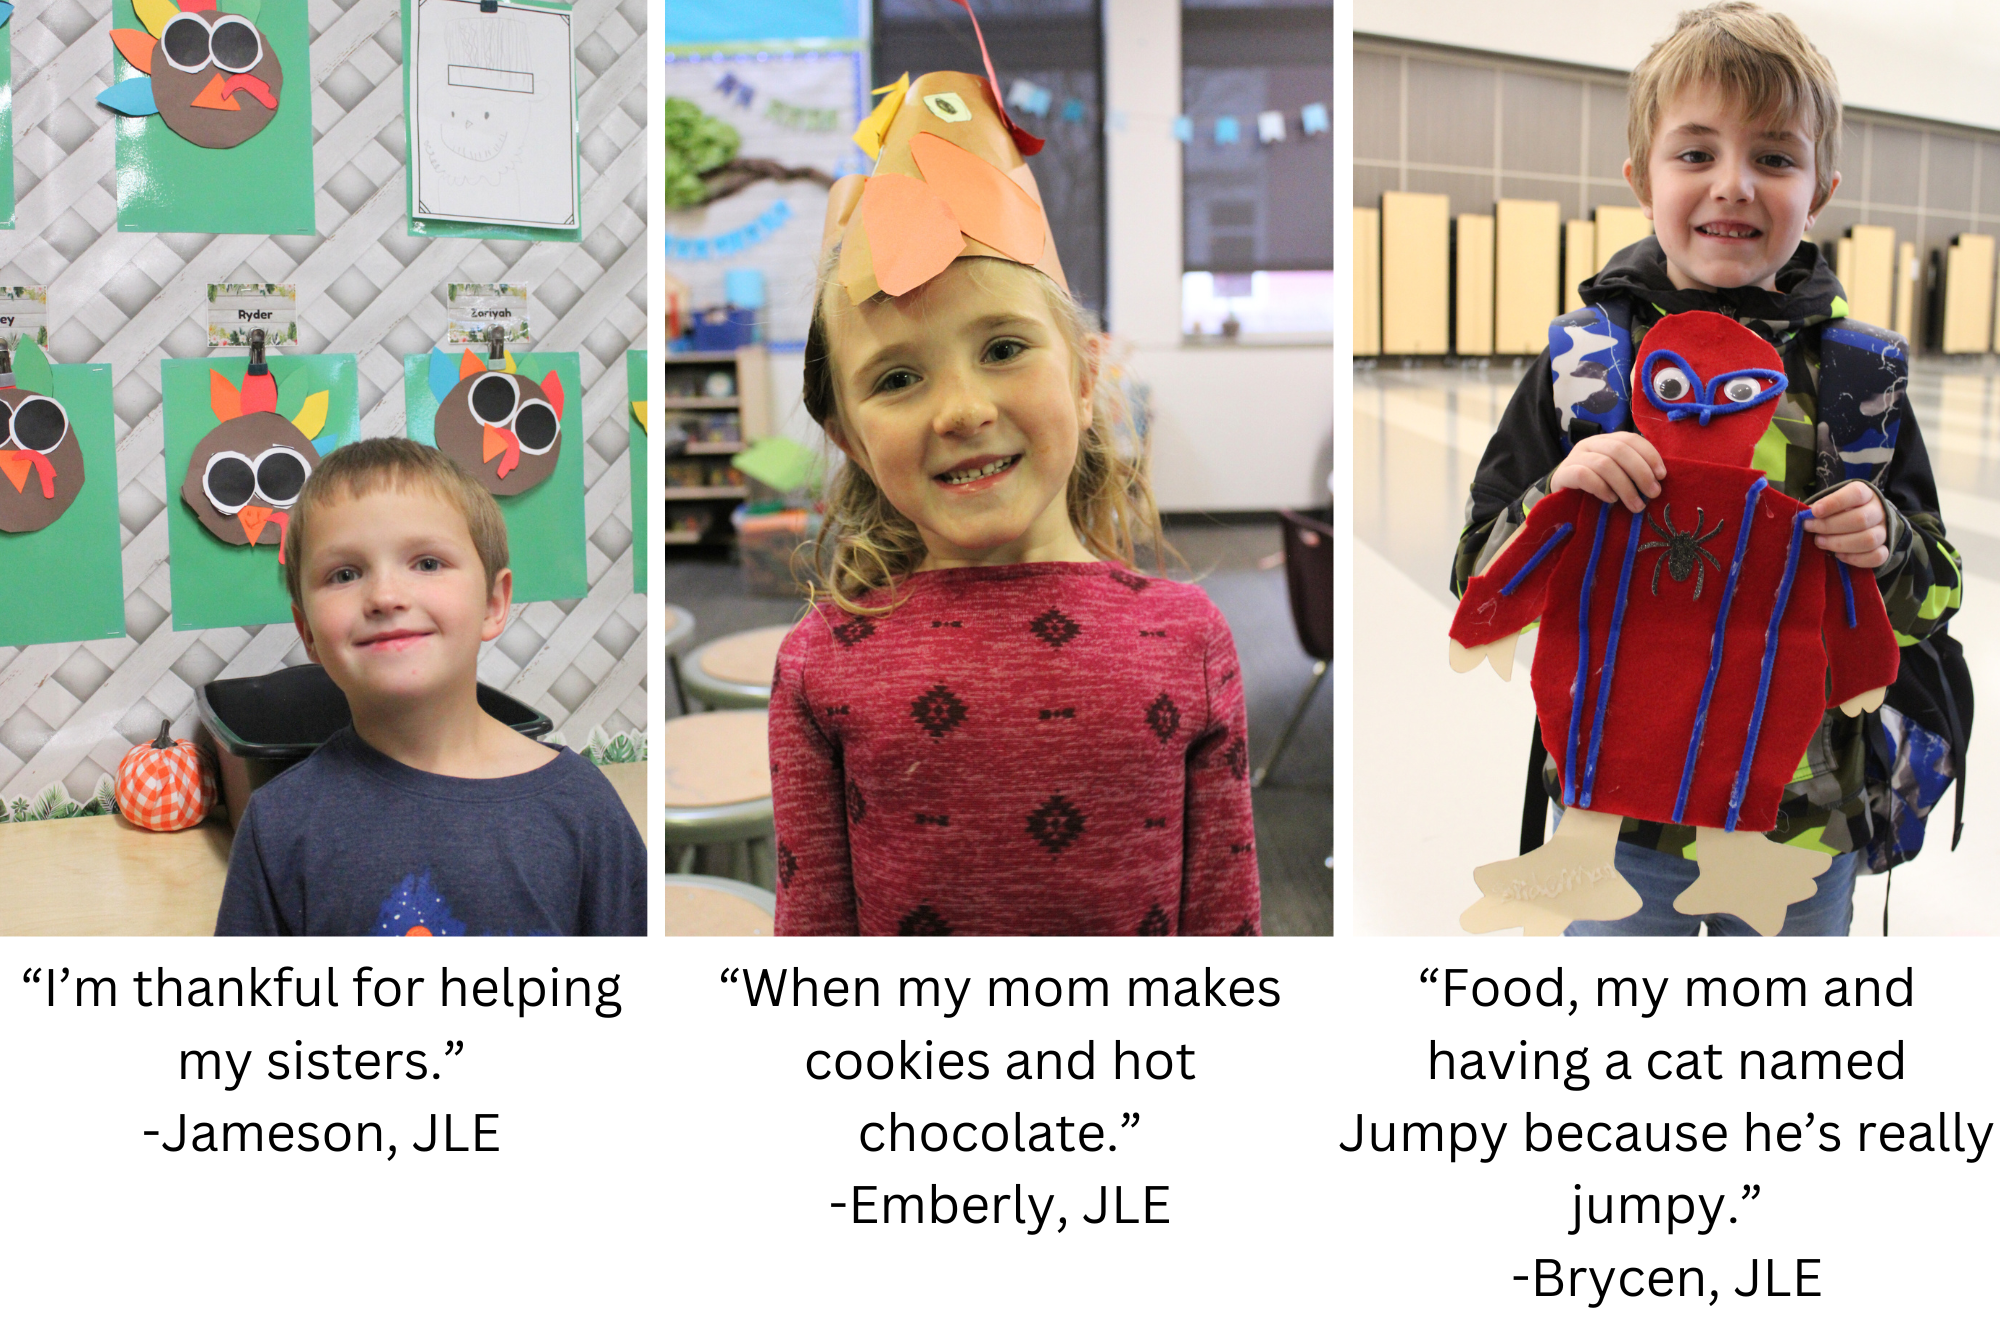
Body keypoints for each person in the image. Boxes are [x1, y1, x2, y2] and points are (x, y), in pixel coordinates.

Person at [1451, 1, 1961, 936]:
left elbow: (1936, 596)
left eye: (1774, 156)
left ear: (1821, 189)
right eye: (1695, 154)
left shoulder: (1860, 381)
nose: (1733, 184)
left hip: (1800, 826)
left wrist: (1886, 543)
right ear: (1640, 178)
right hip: (1618, 829)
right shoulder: (1586, 365)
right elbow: (1475, 569)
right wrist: (1554, 491)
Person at [768, 60, 1260, 935]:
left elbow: (1227, 920)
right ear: (848, 436)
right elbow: (812, 932)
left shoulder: (1189, 638)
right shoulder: (821, 661)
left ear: (1083, 378)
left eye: (1002, 348)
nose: (962, 408)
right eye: (898, 376)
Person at [215, 437, 645, 936]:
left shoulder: (583, 809)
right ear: (307, 630)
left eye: (426, 563)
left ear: (492, 603)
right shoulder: (278, 824)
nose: (386, 596)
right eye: (345, 573)